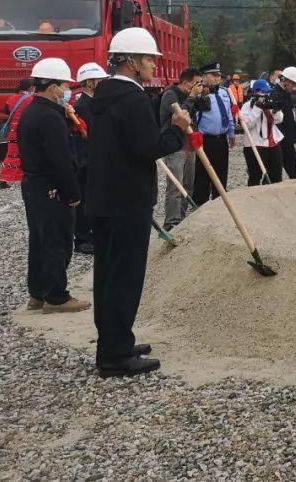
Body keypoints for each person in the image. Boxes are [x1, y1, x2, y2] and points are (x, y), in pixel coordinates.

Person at [86, 27, 191, 377]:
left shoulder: (103, 95)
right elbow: (147, 148)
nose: (152, 64)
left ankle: (114, 340)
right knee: (124, 277)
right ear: (130, 62)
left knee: (108, 274)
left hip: (105, 198)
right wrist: (177, 128)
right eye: (147, 58)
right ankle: (115, 356)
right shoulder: (131, 99)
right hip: (127, 201)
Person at [17, 58, 89, 314]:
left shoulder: (31, 111)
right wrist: (72, 194)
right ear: (51, 87)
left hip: (34, 185)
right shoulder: (49, 117)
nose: (66, 90)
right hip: (52, 187)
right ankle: (56, 296)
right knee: (57, 241)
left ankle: (37, 293)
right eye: (63, 85)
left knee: (39, 239)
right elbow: (61, 161)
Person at [69, 62, 108, 254]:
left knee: (92, 199)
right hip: (85, 160)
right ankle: (82, 238)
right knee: (83, 200)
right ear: (89, 83)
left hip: (94, 158)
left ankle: (91, 234)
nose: (102, 83)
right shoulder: (82, 106)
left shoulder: (94, 103)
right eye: (99, 80)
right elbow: (83, 137)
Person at [158, 68, 202, 230]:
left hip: (189, 144)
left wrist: (201, 96)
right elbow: (181, 115)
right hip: (175, 145)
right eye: (196, 83)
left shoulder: (190, 95)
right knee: (175, 186)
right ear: (186, 83)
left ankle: (182, 218)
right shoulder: (170, 95)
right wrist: (191, 97)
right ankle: (171, 222)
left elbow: (205, 107)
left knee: (188, 185)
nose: (198, 86)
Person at [191, 62, 235, 207]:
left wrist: (231, 132)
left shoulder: (224, 92)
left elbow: (228, 113)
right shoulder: (197, 93)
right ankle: (200, 206)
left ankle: (220, 205)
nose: (217, 78)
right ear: (204, 77)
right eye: (213, 75)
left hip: (221, 139)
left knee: (221, 174)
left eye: (218, 76)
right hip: (205, 140)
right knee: (202, 176)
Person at [242, 79, 285, 185]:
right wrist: (258, 108)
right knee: (255, 176)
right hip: (255, 145)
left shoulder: (269, 102)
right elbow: (247, 125)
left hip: (273, 143)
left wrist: (275, 110)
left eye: (267, 92)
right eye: (263, 92)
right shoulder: (247, 106)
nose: (266, 94)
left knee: (276, 175)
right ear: (255, 92)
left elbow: (279, 120)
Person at [0, 78, 35, 189]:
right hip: (24, 129)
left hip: (12, 130)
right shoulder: (31, 99)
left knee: (13, 154)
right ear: (30, 87)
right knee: (17, 155)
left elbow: (5, 111)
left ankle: (16, 177)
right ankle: (3, 180)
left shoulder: (12, 98)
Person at [275, 66, 296, 179]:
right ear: (285, 81)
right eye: (293, 84)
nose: (294, 87)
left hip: (287, 138)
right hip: (279, 139)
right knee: (275, 171)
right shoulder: (276, 93)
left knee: (294, 169)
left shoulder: (285, 93)